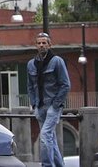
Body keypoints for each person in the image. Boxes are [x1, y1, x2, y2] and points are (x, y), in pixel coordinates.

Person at [27, 32, 70, 167]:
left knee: (45, 136)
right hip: (39, 107)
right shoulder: (31, 64)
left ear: (50, 45)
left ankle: (47, 165)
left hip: (53, 106)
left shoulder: (57, 61)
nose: (41, 45)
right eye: (39, 43)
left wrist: (56, 105)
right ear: (36, 45)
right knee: (51, 139)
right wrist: (34, 104)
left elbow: (65, 85)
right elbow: (30, 86)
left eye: (44, 43)